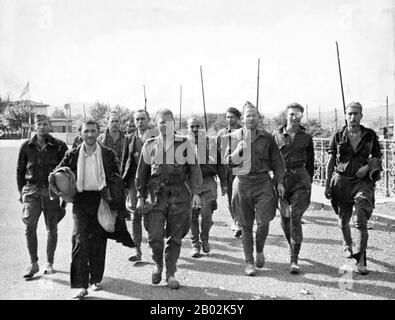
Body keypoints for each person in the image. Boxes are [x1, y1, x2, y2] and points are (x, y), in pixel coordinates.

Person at [136, 108, 202, 289]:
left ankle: (171, 272)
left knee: (175, 237)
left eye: (168, 121)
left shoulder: (185, 144)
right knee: (155, 236)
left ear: (174, 123)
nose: (165, 125)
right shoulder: (149, 145)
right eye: (161, 122)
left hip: (179, 194)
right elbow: (141, 174)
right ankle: (158, 264)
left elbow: (194, 170)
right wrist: (140, 196)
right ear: (156, 124)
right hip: (155, 195)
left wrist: (196, 193)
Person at [55, 119, 120, 299]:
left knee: (98, 242)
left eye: (93, 131)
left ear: (98, 132)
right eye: (86, 131)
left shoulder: (107, 153)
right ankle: (81, 285)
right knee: (79, 241)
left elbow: (116, 177)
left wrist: (115, 202)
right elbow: (57, 173)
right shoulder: (72, 153)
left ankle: (95, 279)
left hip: (101, 199)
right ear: (80, 133)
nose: (90, 134)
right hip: (81, 201)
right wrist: (64, 190)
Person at [227, 102, 285, 276]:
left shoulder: (267, 137)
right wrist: (238, 151)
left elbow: (277, 162)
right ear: (242, 119)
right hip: (242, 182)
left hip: (263, 182)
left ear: (258, 118)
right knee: (245, 226)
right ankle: (249, 262)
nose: (251, 118)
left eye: (254, 115)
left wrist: (280, 182)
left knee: (264, 222)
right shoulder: (234, 136)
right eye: (247, 115)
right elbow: (228, 162)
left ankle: (259, 249)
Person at [324, 102, 382, 275]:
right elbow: (331, 161)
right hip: (341, 182)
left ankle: (361, 259)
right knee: (343, 219)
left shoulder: (370, 136)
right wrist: (327, 184)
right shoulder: (338, 135)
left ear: (361, 116)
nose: (353, 117)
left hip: (362, 182)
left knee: (361, 219)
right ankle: (347, 245)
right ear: (345, 115)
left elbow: (377, 156)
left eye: (356, 114)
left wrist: (367, 167)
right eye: (349, 114)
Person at [16, 114, 68, 278]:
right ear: (34, 127)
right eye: (39, 124)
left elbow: (67, 170)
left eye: (46, 124)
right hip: (31, 191)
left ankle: (49, 263)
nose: (43, 127)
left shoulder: (59, 146)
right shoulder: (26, 146)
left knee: (51, 228)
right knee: (29, 226)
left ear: (50, 126)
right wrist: (20, 192)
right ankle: (33, 263)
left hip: (51, 192)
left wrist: (65, 196)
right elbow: (20, 170)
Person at [273, 103, 314, 274]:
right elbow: (272, 161)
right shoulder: (275, 136)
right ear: (286, 115)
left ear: (301, 117)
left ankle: (294, 259)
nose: (294, 117)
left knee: (296, 216)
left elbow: (311, 162)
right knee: (285, 218)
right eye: (291, 114)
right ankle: (293, 245)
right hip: (282, 180)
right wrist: (278, 181)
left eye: (298, 114)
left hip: (300, 179)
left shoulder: (306, 137)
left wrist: (308, 180)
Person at [121, 109, 157, 263]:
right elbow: (124, 161)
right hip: (133, 182)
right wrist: (123, 182)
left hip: (151, 181)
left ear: (148, 120)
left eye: (143, 118)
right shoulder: (129, 138)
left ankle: (153, 245)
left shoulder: (156, 138)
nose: (140, 122)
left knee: (150, 215)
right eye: (137, 119)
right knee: (135, 215)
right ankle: (137, 249)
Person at [187, 118, 226, 257]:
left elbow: (221, 164)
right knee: (193, 215)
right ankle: (195, 244)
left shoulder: (211, 142)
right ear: (188, 128)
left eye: (198, 126)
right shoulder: (183, 144)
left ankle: (205, 238)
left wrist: (225, 183)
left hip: (208, 181)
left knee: (206, 215)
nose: (195, 129)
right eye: (192, 126)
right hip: (190, 183)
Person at [99, 111, 135, 251]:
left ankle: (119, 230)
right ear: (107, 122)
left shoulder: (126, 139)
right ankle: (106, 227)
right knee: (105, 202)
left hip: (121, 176)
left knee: (120, 203)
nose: (114, 124)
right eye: (112, 121)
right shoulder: (101, 138)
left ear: (120, 123)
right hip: (105, 176)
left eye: (117, 121)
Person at [217, 107, 243, 237]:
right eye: (227, 117)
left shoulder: (244, 132)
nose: (229, 119)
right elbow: (216, 151)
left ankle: (241, 221)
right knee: (230, 197)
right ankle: (236, 221)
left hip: (240, 168)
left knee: (241, 197)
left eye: (232, 117)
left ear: (238, 118)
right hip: (226, 169)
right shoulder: (221, 133)